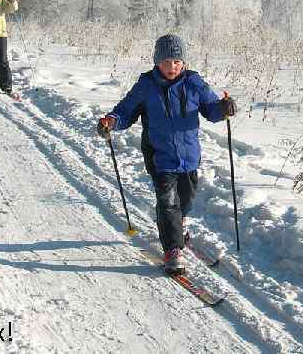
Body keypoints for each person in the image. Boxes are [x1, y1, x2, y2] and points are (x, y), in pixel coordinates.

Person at [97, 34, 237, 274]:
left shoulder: (194, 82)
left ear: (184, 62)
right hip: (159, 155)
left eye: (177, 61)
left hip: (189, 156)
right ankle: (173, 249)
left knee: (187, 198)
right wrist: (111, 121)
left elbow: (212, 110)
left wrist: (224, 108)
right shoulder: (146, 85)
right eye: (166, 62)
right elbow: (126, 110)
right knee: (168, 201)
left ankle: (178, 224)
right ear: (157, 62)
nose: (172, 66)